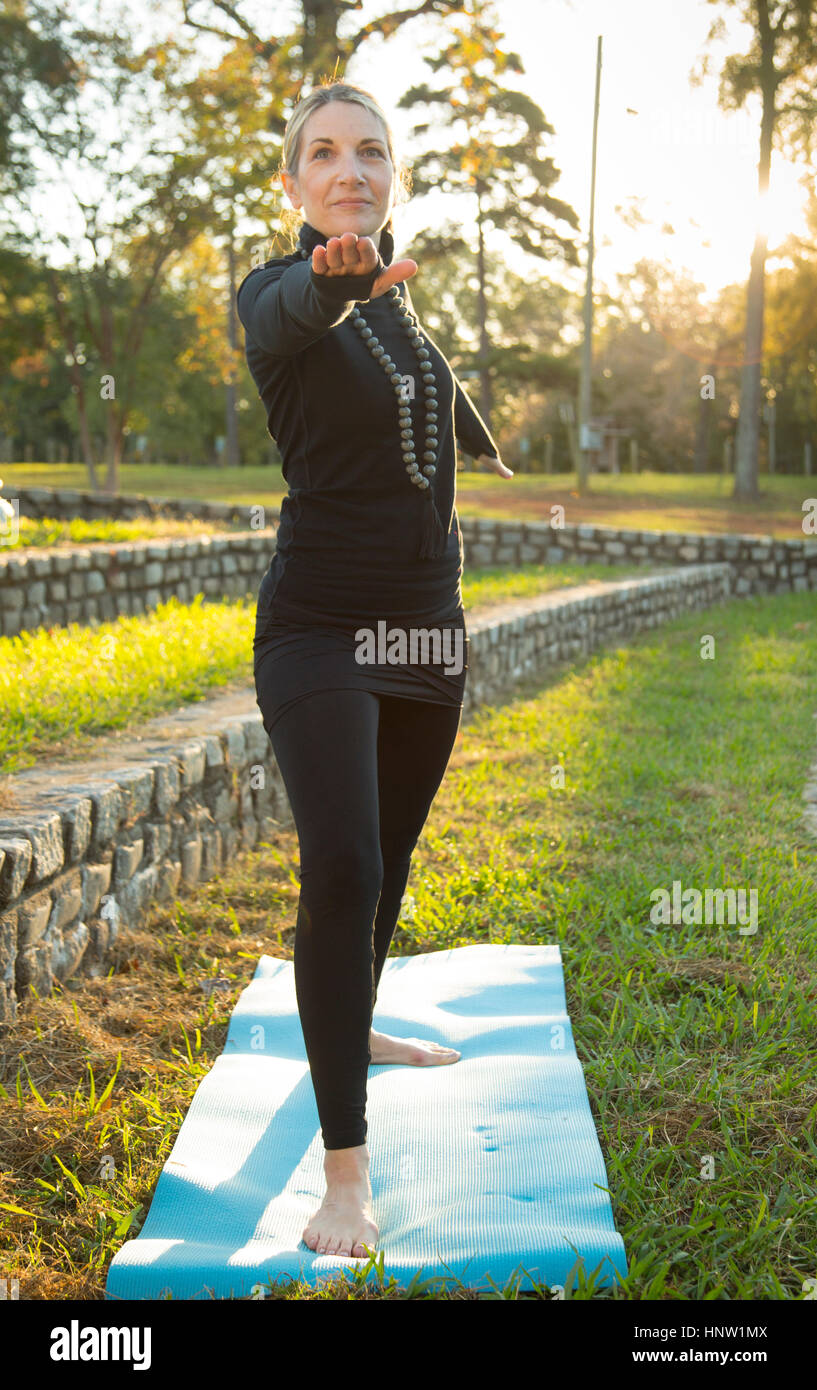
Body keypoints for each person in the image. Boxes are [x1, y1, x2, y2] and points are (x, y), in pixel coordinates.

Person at [236, 81, 513, 1263]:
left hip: (426, 630)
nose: (349, 169)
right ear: (293, 181)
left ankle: (353, 1026)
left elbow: (415, 394)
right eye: (324, 153)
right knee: (342, 861)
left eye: (370, 152)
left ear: (393, 174)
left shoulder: (402, 303)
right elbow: (290, 314)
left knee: (388, 860)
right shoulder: (278, 291)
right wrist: (331, 281)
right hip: (319, 623)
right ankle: (345, 1175)